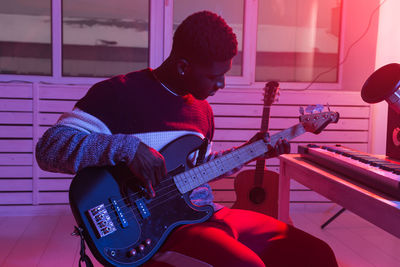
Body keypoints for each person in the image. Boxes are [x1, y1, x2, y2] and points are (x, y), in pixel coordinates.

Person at [36, 10, 338, 267]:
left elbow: (196, 168)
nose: (222, 84)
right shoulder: (118, 94)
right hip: (155, 229)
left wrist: (250, 152)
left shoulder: (202, 110)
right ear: (183, 66)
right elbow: (50, 148)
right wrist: (129, 149)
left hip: (203, 213)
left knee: (316, 254)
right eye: (214, 76)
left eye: (225, 74)